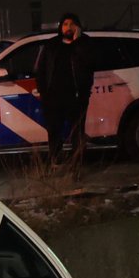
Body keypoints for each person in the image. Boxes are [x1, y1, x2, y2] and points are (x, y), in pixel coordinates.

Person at [33, 12, 94, 164]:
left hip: (77, 97)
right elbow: (40, 70)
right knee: (54, 132)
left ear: (78, 27)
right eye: (66, 24)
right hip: (54, 98)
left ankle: (76, 166)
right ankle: (56, 162)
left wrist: (77, 42)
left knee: (77, 134)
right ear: (60, 27)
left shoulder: (85, 43)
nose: (69, 27)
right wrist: (43, 92)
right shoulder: (51, 45)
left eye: (72, 24)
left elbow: (90, 63)